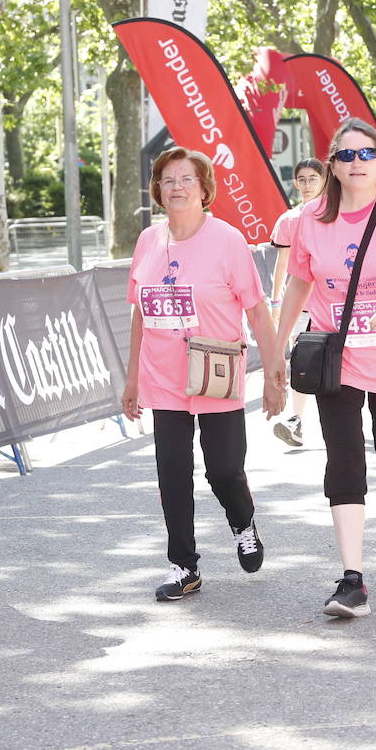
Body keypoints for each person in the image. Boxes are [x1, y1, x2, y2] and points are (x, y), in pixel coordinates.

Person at [275, 119, 376, 619]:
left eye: (366, 155)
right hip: (336, 356)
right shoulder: (309, 220)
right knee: (343, 461)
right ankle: (351, 579)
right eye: (346, 156)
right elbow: (299, 284)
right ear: (334, 167)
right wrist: (277, 344)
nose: (356, 163)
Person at [121, 146, 285, 603]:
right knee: (172, 474)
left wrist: (275, 374)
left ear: (204, 189)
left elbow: (256, 310)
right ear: (157, 189)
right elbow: (140, 313)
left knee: (224, 470)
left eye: (186, 179)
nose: (176, 187)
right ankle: (184, 566)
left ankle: (242, 521)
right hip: (163, 377)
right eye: (167, 179)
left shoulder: (227, 241)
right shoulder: (148, 242)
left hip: (215, 373)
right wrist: (132, 378)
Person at [269, 158, 326, 447]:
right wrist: (276, 301)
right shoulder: (289, 220)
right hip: (300, 306)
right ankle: (296, 420)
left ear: (324, 180)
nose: (306, 184)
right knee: (302, 362)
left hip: (332, 304)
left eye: (312, 178)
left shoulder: (335, 215)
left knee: (341, 363)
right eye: (301, 179)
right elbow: (283, 264)